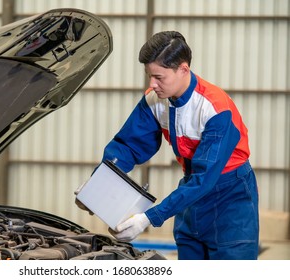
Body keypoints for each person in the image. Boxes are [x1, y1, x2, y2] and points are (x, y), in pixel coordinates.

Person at [76, 31, 259, 260]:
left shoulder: (216, 109)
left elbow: (205, 178)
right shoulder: (155, 100)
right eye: (149, 76)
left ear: (183, 69)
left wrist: (148, 218)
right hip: (191, 197)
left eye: (159, 77)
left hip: (230, 201)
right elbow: (127, 146)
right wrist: (99, 182)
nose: (152, 85)